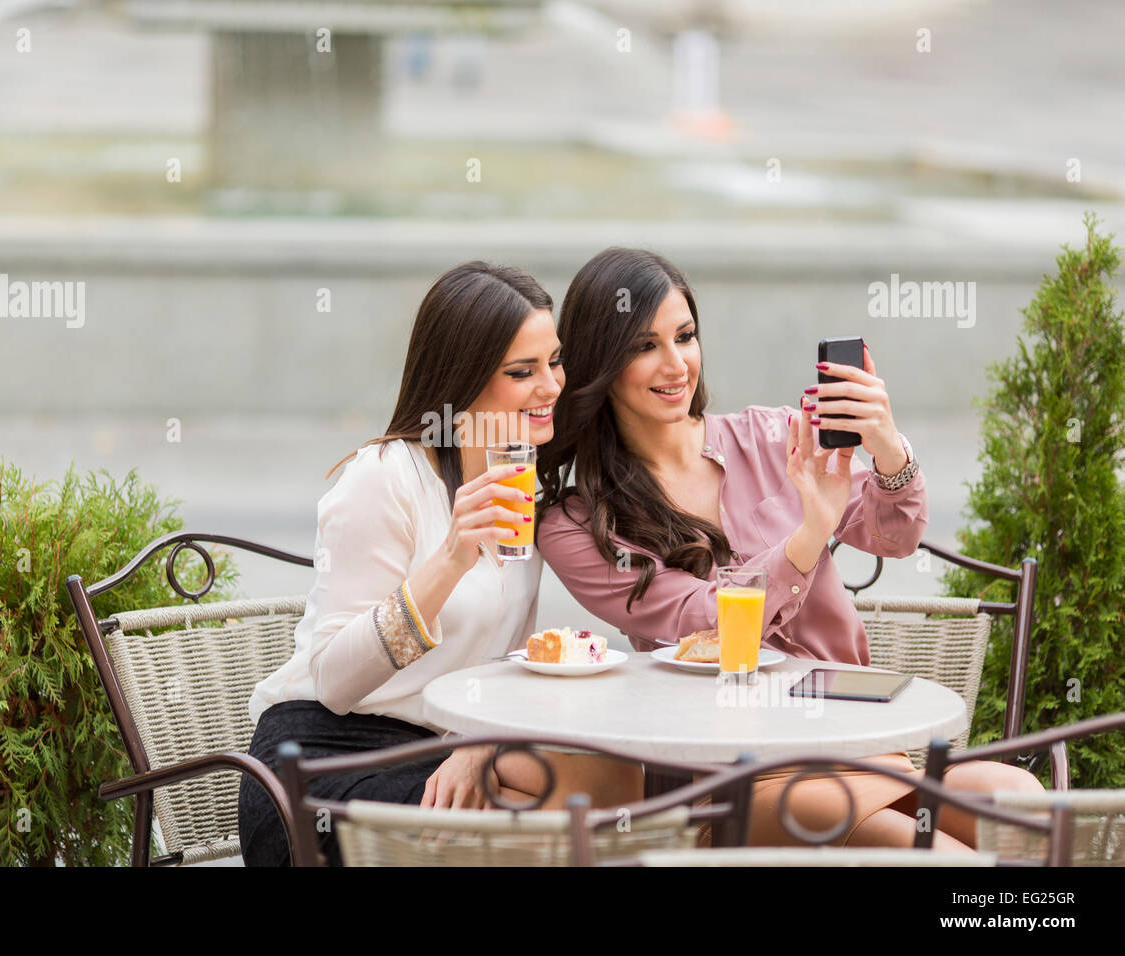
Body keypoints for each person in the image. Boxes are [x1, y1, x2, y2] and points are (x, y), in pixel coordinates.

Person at [536, 247, 1043, 850]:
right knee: (932, 854)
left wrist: (888, 449)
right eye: (645, 346)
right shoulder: (578, 524)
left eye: (686, 336)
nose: (676, 365)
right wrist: (808, 536)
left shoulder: (775, 435)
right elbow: (706, 623)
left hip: (863, 741)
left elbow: (896, 535)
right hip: (743, 776)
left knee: (1020, 805)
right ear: (602, 362)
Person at [238, 261, 642, 867]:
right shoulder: (384, 479)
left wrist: (476, 743)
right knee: (534, 837)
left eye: (553, 361)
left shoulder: (523, 481)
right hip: (323, 761)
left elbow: (504, 654)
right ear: (464, 378)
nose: (551, 385)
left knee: (617, 784)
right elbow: (336, 684)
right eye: (521, 371)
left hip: (444, 744)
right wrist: (453, 557)